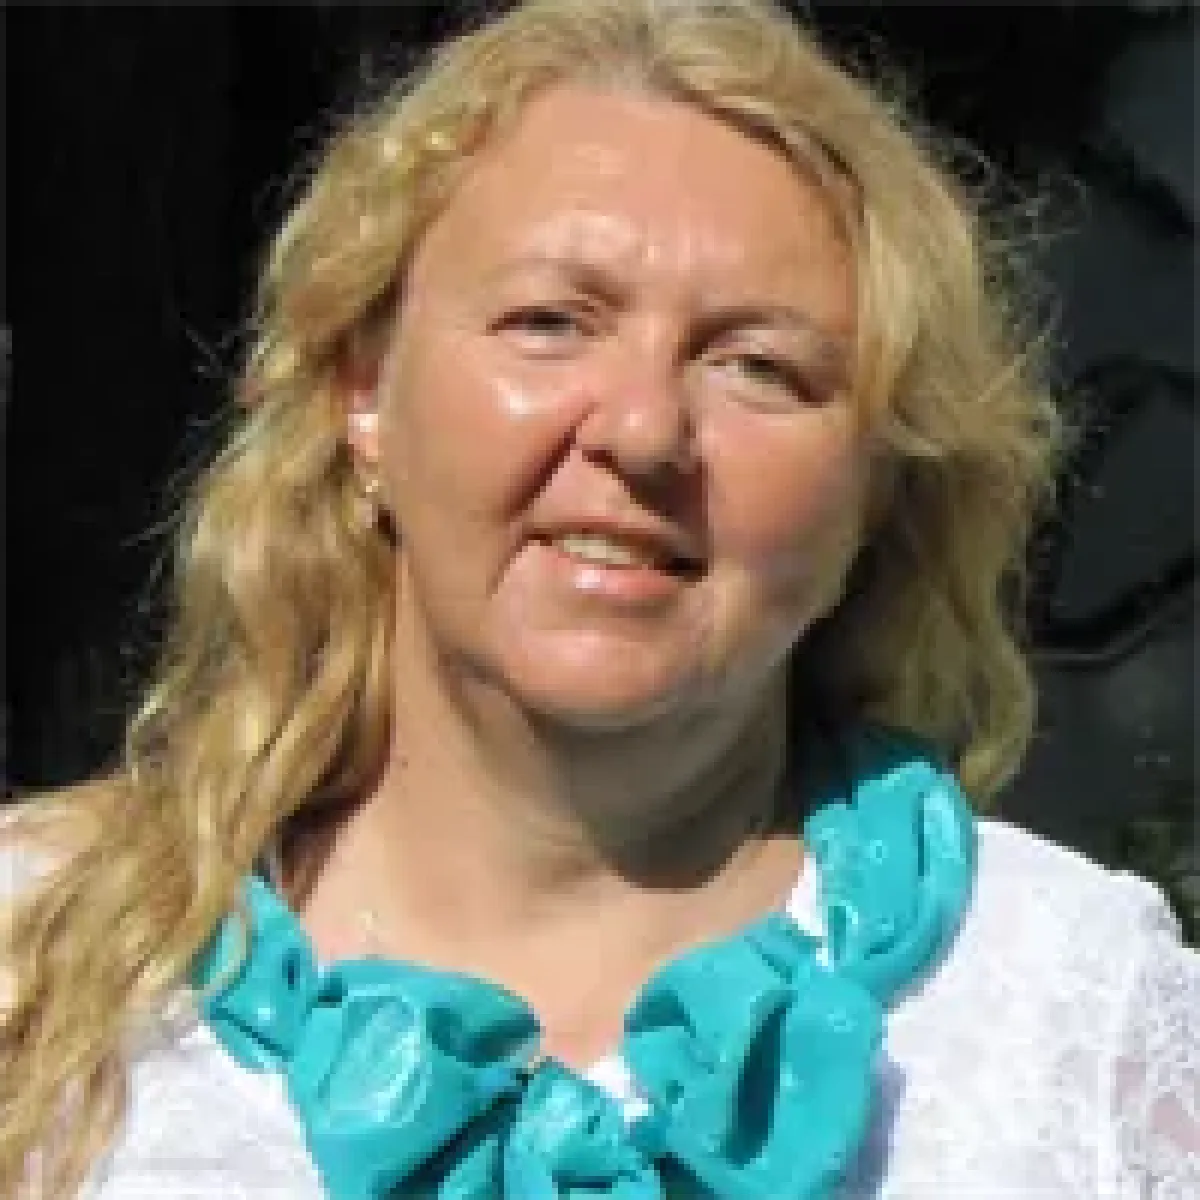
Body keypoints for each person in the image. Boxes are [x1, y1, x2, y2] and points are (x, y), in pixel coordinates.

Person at [3, 0, 1196, 1195]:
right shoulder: (37, 970)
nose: (642, 431)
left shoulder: (1080, 1026)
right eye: (549, 323)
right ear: (363, 395)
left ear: (878, 493)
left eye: (758, 366)